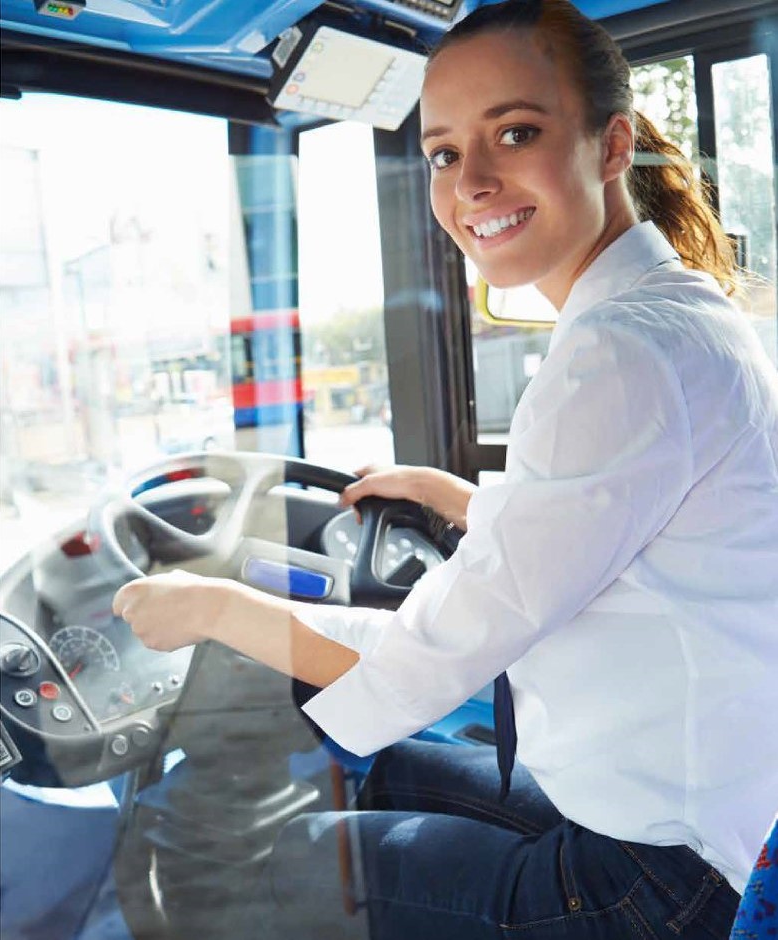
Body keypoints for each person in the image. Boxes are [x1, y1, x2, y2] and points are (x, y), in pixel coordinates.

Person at [113, 0, 778, 936]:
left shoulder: (617, 353)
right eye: (442, 153)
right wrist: (467, 500)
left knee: (268, 861)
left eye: (515, 131)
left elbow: (438, 650)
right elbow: (632, 518)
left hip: (669, 878)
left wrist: (215, 608)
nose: (472, 181)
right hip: (698, 805)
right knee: (378, 764)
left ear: (613, 144)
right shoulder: (674, 313)